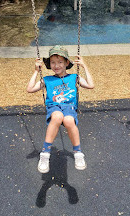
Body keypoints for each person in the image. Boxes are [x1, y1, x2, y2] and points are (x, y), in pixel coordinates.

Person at [27, 45, 94, 173]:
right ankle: (45, 154)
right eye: (53, 62)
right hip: (54, 107)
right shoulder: (47, 79)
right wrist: (36, 71)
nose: (56, 65)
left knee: (69, 121)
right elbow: (30, 89)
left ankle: (78, 153)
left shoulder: (74, 77)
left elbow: (91, 85)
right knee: (57, 117)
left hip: (69, 107)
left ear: (67, 63)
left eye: (60, 62)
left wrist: (84, 66)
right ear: (49, 64)